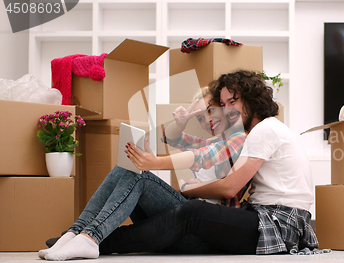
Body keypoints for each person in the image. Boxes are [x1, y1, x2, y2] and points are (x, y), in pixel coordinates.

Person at [93, 70, 320, 256]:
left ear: (252, 98)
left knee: (192, 211)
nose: (228, 109)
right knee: (168, 208)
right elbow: (180, 141)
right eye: (223, 103)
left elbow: (230, 187)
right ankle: (88, 235)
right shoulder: (254, 132)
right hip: (266, 216)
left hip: (278, 222)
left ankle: (100, 242)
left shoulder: (264, 130)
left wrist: (187, 189)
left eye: (233, 101)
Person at [39, 87, 248, 260]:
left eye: (210, 111)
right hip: (182, 218)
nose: (207, 121)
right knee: (127, 166)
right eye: (200, 118)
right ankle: (76, 232)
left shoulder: (239, 139)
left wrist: (186, 186)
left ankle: (90, 238)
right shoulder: (213, 141)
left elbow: (205, 156)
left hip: (202, 232)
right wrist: (180, 124)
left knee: (140, 176)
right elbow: (174, 139)